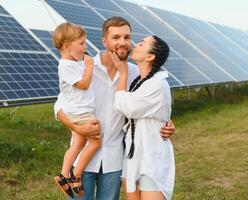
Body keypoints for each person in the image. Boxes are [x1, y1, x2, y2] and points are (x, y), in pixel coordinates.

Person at [54, 16, 175, 200]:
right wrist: (77, 127)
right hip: (83, 160)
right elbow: (59, 106)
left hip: (115, 161)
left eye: (127, 37)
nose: (123, 43)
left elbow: (148, 105)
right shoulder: (83, 68)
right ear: (104, 41)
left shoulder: (137, 74)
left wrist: (165, 123)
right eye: (116, 37)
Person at [111, 35, 174, 200]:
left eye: (142, 43)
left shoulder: (157, 84)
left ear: (150, 56)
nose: (135, 44)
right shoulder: (140, 80)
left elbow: (127, 107)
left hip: (151, 157)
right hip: (133, 155)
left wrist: (122, 74)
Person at [52, 22, 102, 198]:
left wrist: (86, 64)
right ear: (67, 46)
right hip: (81, 111)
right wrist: (89, 67)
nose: (85, 47)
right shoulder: (66, 66)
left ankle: (63, 175)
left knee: (78, 144)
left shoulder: (73, 62)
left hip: (78, 110)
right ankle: (76, 174)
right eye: (81, 44)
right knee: (96, 142)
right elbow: (83, 84)